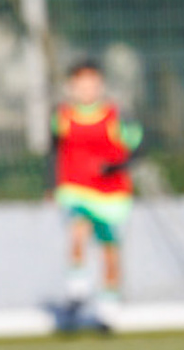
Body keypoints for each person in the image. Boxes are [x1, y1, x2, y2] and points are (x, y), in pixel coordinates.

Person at [46, 59, 142, 304]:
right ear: (71, 87)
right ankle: (77, 280)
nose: (86, 90)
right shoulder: (62, 116)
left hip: (112, 192)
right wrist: (50, 185)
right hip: (76, 187)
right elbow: (53, 151)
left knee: (109, 248)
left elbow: (138, 150)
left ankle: (109, 297)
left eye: (92, 84)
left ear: (101, 85)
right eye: (81, 85)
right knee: (78, 228)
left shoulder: (116, 116)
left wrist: (114, 167)